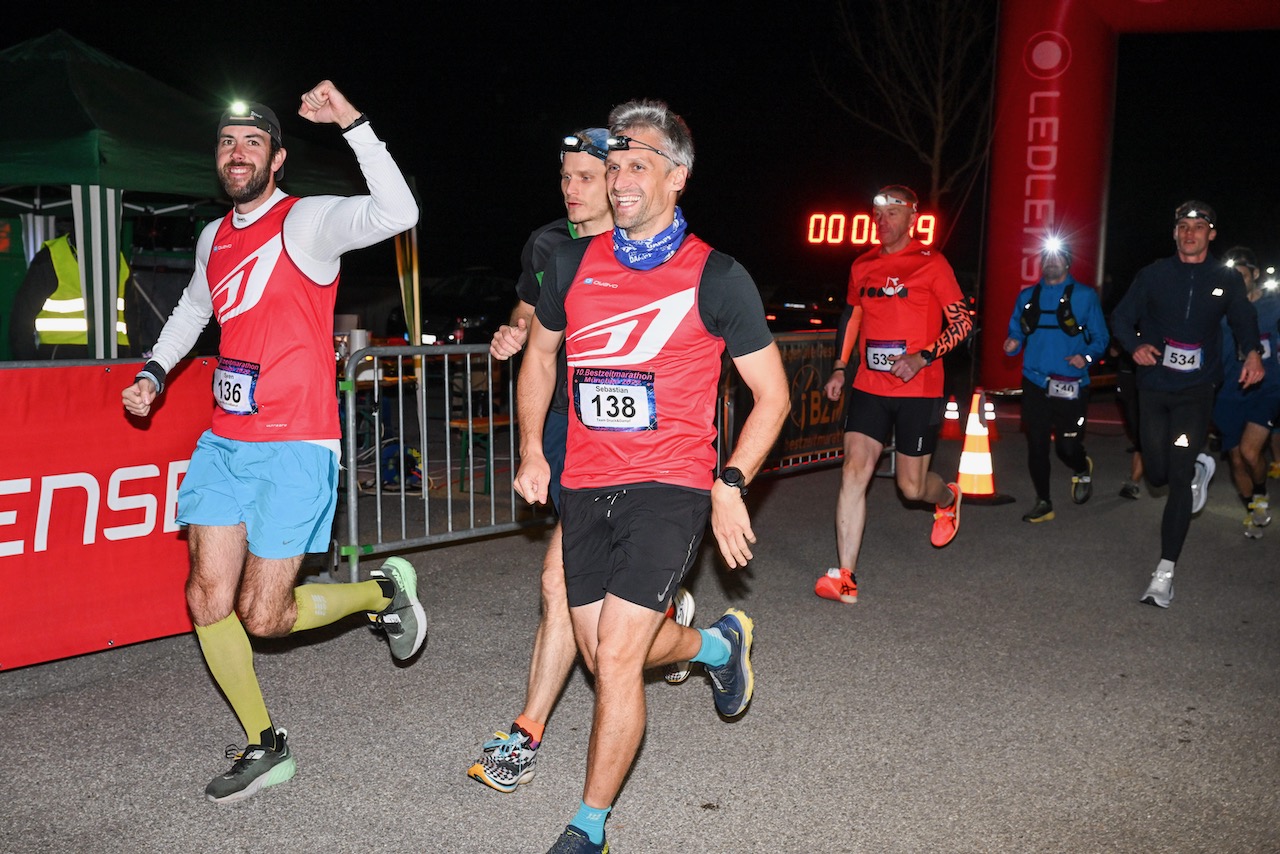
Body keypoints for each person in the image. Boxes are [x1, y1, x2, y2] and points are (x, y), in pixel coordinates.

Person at [120, 82, 422, 801]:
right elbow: (196, 308)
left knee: (266, 615)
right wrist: (155, 373)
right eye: (227, 142)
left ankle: (380, 590)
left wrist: (352, 120)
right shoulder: (212, 237)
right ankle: (266, 744)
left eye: (253, 141)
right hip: (226, 439)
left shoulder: (307, 222)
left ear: (278, 158)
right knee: (206, 596)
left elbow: (399, 211)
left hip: (296, 444)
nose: (237, 153)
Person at [515, 99, 789, 854]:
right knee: (605, 649)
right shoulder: (569, 263)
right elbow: (541, 357)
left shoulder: (718, 277)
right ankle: (714, 649)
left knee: (619, 655)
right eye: (614, 165)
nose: (620, 179)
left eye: (638, 165)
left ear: (678, 178)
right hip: (584, 483)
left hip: (671, 483)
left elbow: (773, 396)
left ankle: (588, 826)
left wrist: (730, 482)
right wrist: (534, 452)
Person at [468, 128, 697, 795]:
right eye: (563, 177)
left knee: (558, 582)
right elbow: (532, 304)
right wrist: (515, 328)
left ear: (623, 180)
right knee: (568, 588)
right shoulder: (549, 244)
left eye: (585, 177)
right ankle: (675, 627)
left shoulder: (652, 246)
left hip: (637, 438)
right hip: (572, 422)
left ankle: (526, 731)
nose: (572, 191)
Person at [816, 185, 973, 605]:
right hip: (869, 385)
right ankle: (845, 576)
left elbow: (962, 325)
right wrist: (839, 367)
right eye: (876, 214)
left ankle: (948, 497)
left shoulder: (932, 262)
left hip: (919, 388)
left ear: (912, 218)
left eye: (891, 214)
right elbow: (852, 317)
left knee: (911, 488)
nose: (882, 222)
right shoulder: (862, 265)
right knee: (854, 469)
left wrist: (923, 356)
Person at [1110, 201, 1263, 608]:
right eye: (1183, 226)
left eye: (1199, 226)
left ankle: (1164, 572)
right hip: (1155, 386)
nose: (1190, 232)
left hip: (1196, 389)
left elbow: (1244, 319)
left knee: (1176, 479)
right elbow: (1121, 318)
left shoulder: (1225, 278)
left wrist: (1251, 352)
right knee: (1156, 474)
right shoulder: (1154, 275)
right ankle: (1196, 466)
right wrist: (1135, 345)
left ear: (1211, 234)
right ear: (1175, 232)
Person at [1003, 240, 1110, 522]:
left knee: (1066, 447)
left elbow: (1101, 338)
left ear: (1067, 262)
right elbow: (1017, 331)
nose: (1051, 262)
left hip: (1071, 384)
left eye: (1058, 257)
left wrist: (1085, 358)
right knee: (1036, 443)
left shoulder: (1086, 296)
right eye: (1047, 257)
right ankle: (1044, 502)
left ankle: (1081, 466)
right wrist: (1013, 342)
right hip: (1035, 382)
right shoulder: (1026, 296)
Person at [1211, 246, 1280, 538]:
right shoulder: (1219, 311)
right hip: (1228, 392)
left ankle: (1261, 496)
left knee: (1251, 453)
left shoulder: (1274, 306)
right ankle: (1253, 507)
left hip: (1266, 389)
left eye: (1241, 275)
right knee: (1237, 458)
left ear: (1254, 274)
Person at [9, 228, 136, 359]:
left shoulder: (119, 260)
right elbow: (21, 320)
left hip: (114, 361)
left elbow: (132, 321)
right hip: (64, 363)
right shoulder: (52, 257)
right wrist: (32, 370)